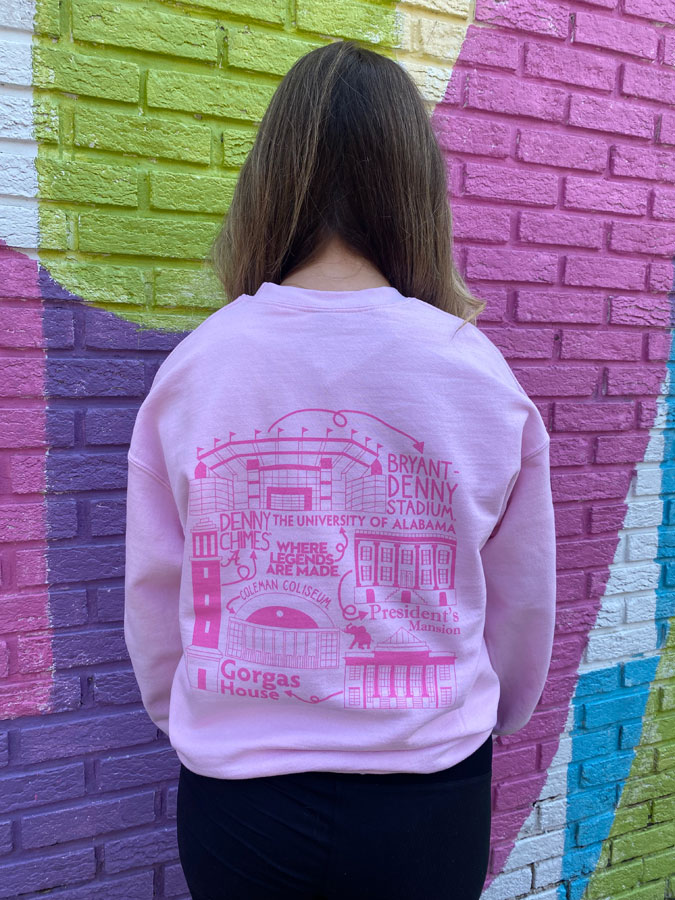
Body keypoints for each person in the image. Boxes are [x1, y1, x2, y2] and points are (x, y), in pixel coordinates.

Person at [123, 39, 557, 900]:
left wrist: (196, 717)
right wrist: (486, 714)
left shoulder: (200, 367)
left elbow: (157, 589)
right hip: (429, 785)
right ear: (414, 187)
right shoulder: (474, 371)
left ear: (268, 180)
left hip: (240, 794)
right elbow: (522, 599)